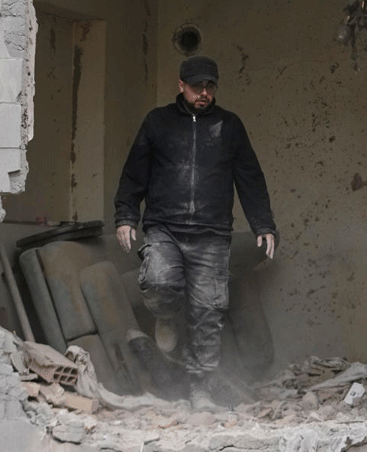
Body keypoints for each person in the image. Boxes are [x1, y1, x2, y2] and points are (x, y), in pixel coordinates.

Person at [114, 55, 277, 410]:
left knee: (208, 311)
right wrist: (126, 215)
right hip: (165, 229)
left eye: (210, 86)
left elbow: (250, 177)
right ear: (180, 86)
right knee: (158, 280)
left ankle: (200, 389)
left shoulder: (229, 126)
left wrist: (263, 224)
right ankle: (168, 316)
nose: (204, 93)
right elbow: (133, 173)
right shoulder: (157, 123)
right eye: (196, 86)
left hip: (212, 234)